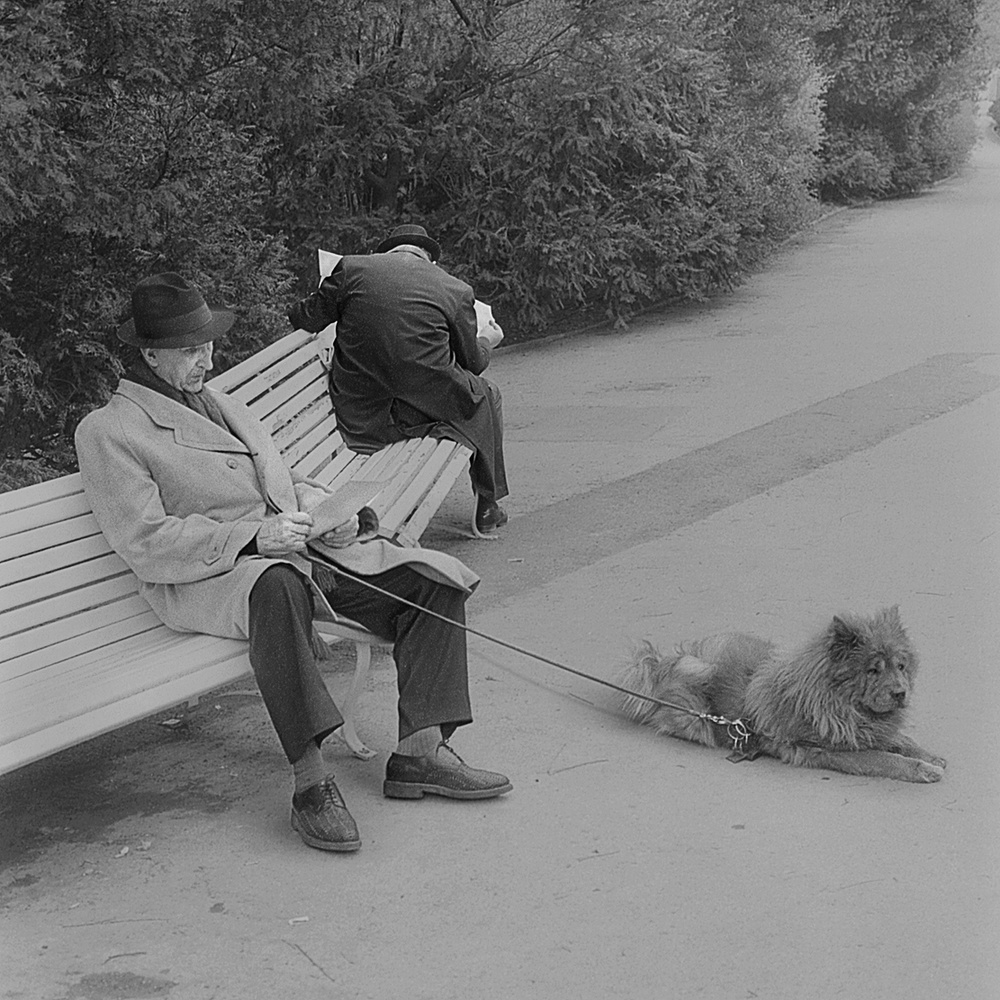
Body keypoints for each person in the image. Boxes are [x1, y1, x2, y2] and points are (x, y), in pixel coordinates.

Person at [74, 272, 511, 854]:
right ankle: (311, 782)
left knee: (431, 579)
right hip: (215, 576)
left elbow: (280, 479)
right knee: (277, 586)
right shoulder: (109, 431)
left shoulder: (221, 403)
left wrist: (330, 511)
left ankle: (420, 754)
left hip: (298, 553)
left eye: (208, 345)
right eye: (190, 351)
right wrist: (257, 537)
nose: (207, 360)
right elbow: (145, 540)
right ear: (149, 354)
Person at [287, 224, 510, 533]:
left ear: (385, 252)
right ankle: (488, 504)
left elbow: (303, 317)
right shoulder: (455, 289)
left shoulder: (352, 268)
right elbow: (472, 363)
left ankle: (488, 503)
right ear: (429, 259)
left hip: (360, 417)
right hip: (426, 416)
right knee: (488, 394)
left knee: (473, 393)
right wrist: (486, 340)